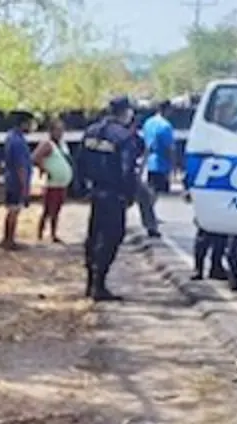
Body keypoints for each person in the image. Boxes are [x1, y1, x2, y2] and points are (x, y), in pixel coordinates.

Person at [78, 96, 140, 302]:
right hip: (115, 194)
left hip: (96, 191)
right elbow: (127, 169)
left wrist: (81, 188)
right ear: (125, 112)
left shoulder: (91, 131)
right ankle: (99, 285)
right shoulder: (123, 137)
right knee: (112, 237)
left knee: (94, 236)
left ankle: (90, 283)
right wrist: (129, 194)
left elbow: (80, 161)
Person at [32, 118, 72, 244]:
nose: (60, 133)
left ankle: (54, 234)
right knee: (48, 210)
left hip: (62, 184)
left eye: (62, 130)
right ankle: (40, 234)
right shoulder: (47, 144)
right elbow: (35, 157)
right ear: (51, 131)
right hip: (52, 184)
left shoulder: (63, 144)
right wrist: (45, 169)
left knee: (57, 210)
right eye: (57, 130)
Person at [2, 114, 33, 251]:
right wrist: (24, 186)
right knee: (14, 210)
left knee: (11, 210)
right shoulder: (18, 142)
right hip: (16, 181)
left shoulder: (11, 137)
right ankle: (10, 241)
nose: (31, 126)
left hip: (10, 179)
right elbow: (21, 166)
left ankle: (7, 239)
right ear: (23, 124)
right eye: (29, 123)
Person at [129, 121, 161, 239]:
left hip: (130, 174)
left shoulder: (137, 139)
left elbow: (145, 153)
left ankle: (151, 227)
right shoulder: (120, 136)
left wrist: (139, 172)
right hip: (114, 176)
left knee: (146, 196)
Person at [142, 101, 175, 194]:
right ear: (167, 110)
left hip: (150, 164)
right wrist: (173, 165)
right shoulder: (166, 126)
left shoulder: (147, 123)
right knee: (162, 196)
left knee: (151, 194)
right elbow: (170, 148)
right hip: (162, 165)